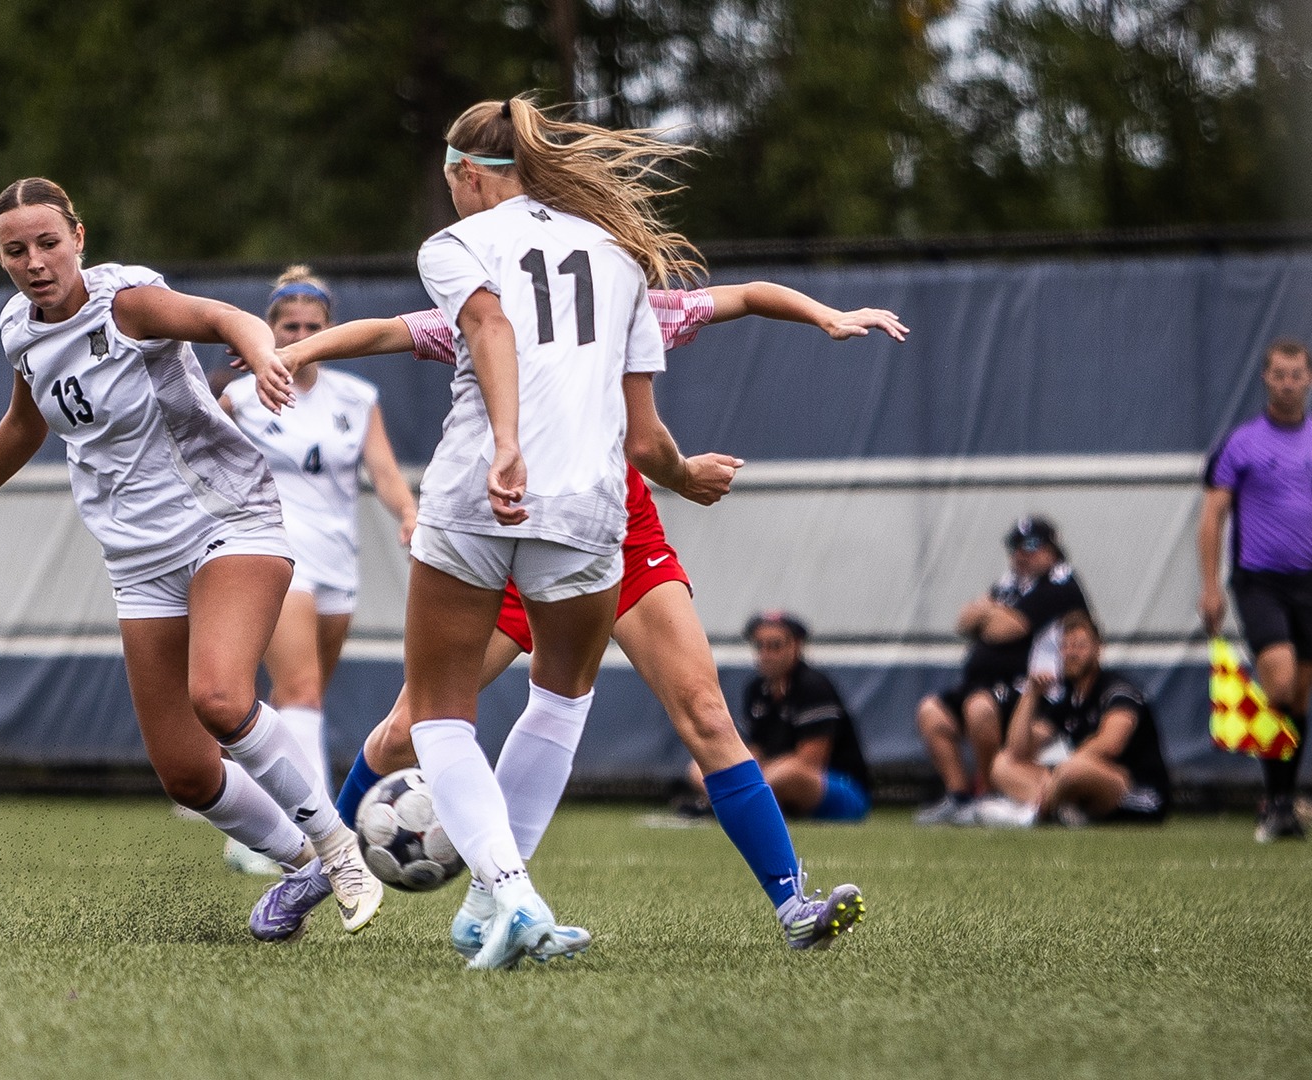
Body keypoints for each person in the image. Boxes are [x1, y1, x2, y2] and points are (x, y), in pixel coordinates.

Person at [276, 277, 901, 950]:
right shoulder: (485, 313)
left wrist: (827, 314)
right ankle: (320, 872)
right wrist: (286, 356)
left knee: (705, 712)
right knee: (409, 725)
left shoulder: (626, 306)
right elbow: (384, 331)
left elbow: (745, 296)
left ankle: (793, 907)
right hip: (510, 538)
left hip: (618, 532)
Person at [0, 178, 382, 940]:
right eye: (16, 250)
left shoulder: (126, 303)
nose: (36, 262)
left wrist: (262, 351)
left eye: (49, 243)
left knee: (221, 699)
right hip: (136, 556)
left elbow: (224, 318)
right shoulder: (18, 327)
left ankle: (339, 850)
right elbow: (26, 422)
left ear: (79, 238)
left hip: (225, 519)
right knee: (187, 773)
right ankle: (300, 864)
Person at [216, 266, 417, 874]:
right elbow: (200, 463)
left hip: (337, 559)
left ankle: (253, 827)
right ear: (270, 330)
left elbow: (384, 473)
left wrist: (409, 514)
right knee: (301, 690)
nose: (301, 336)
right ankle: (316, 844)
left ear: (329, 331)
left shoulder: (356, 397)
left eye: (313, 327)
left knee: (298, 699)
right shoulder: (241, 396)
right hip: (273, 552)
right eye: (289, 326)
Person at [1199, 337, 1312, 842]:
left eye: (1296, 375)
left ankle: (1284, 803)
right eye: (1279, 375)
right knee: (1281, 681)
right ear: (1265, 379)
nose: (1288, 384)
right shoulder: (1242, 443)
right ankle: (1275, 803)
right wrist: (1210, 587)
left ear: (1311, 379)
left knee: (1301, 696)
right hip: (1258, 581)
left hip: (1311, 581)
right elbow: (1212, 516)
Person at [914, 516, 1089, 825]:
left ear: (1051, 549)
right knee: (931, 712)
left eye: (1031, 545)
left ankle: (990, 795)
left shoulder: (1060, 584)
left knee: (979, 709)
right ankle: (960, 797)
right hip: (984, 683)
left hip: (1033, 689)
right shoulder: (1010, 583)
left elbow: (1006, 629)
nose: (1021, 553)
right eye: (1015, 546)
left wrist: (988, 614)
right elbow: (964, 621)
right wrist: (990, 614)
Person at [980, 611, 1170, 827]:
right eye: (1066, 646)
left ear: (1098, 648)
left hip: (1136, 791)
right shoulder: (1069, 698)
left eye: (1080, 646)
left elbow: (1110, 745)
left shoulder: (1118, 692)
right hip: (1077, 784)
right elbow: (1018, 750)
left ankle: (1034, 813)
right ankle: (1059, 810)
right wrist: (1030, 695)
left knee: (1075, 769)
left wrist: (1062, 772)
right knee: (1002, 764)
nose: (1071, 653)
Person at [738, 611, 872, 823]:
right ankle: (750, 805)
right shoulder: (756, 690)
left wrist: (749, 780)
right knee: (701, 771)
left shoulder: (813, 686)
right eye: (759, 646)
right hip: (772, 776)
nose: (766, 654)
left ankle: (741, 806)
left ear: (796, 646)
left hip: (839, 785)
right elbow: (753, 749)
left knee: (787, 774)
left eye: (775, 646)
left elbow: (809, 762)